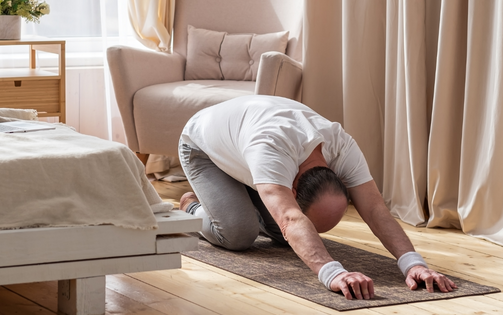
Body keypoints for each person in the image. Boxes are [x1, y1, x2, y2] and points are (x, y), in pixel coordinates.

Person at [178, 95, 456, 300]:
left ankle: (246, 201)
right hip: (203, 147)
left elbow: (374, 208)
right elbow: (289, 218)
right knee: (240, 234)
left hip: (248, 149)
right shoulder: (270, 148)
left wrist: (414, 264)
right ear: (294, 191)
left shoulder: (342, 148)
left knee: (290, 239)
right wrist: (332, 273)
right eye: (310, 222)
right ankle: (192, 207)